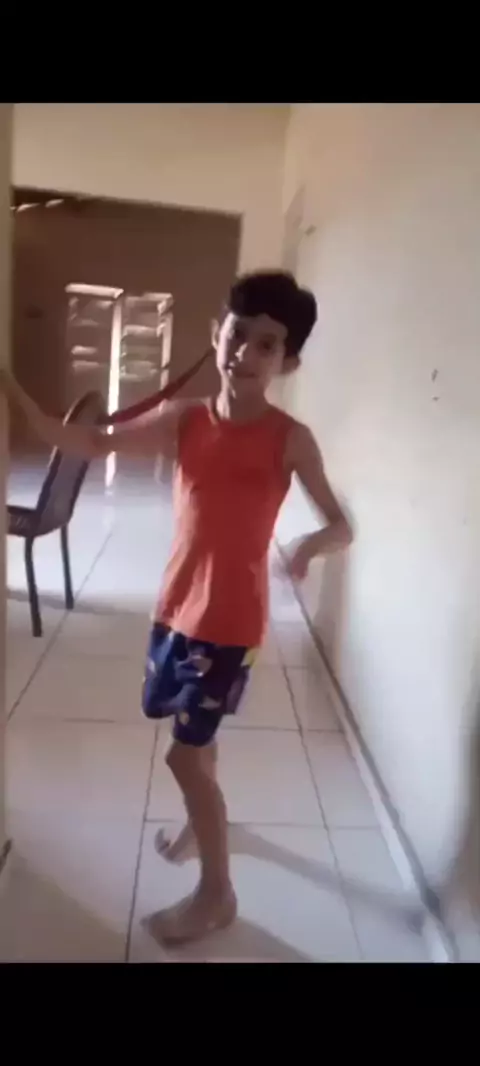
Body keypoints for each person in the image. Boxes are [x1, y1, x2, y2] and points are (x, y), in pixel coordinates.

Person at [0, 269, 353, 946]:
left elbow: (342, 525)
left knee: (183, 759)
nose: (245, 353)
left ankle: (217, 894)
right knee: (197, 737)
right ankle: (202, 822)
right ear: (216, 333)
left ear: (288, 363)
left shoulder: (290, 438)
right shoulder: (187, 419)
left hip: (230, 624)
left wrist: (309, 545)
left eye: (267, 345)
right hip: (176, 609)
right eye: (238, 334)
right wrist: (19, 400)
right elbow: (96, 442)